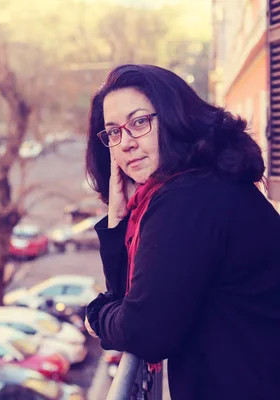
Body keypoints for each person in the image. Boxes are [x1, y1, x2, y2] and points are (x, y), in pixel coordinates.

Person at [82, 64, 280, 400]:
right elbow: (130, 299)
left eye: (139, 122)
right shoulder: (198, 183)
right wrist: (118, 219)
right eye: (113, 132)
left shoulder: (189, 196)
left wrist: (96, 317)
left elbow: (145, 331)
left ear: (175, 116)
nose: (125, 143)